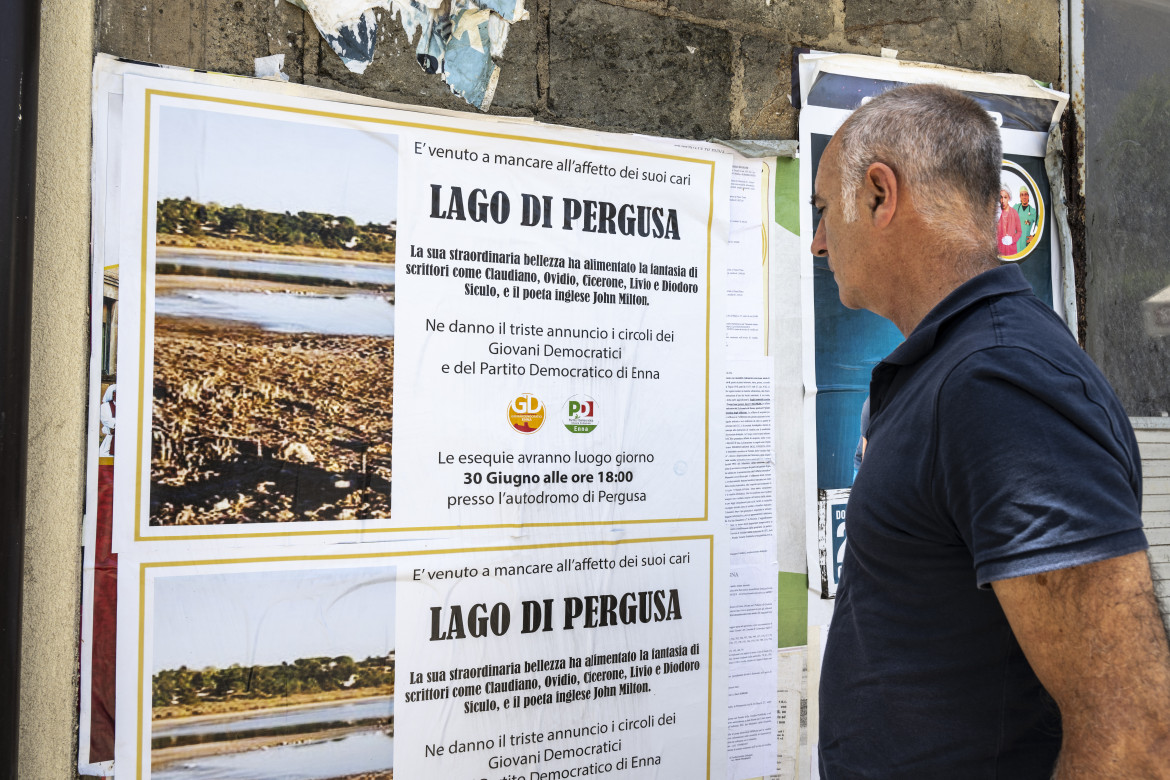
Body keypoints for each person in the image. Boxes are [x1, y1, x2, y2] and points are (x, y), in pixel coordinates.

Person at [809, 83, 1170, 779]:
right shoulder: (957, 367)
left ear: (881, 195)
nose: (819, 241)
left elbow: (1132, 739)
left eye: (825, 211)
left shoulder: (999, 382)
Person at [996, 187, 1021, 254]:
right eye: (1001, 197)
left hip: (1011, 251)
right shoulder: (996, 212)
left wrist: (1012, 240)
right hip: (998, 251)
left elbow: (1019, 231)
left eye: (1005, 197)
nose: (1003, 200)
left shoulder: (1014, 212)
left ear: (1009, 198)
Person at [1015, 185, 1038, 253]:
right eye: (1022, 195)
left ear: (1028, 196)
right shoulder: (1015, 208)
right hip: (1014, 245)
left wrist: (1034, 237)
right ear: (1020, 197)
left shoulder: (1033, 211)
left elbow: (1042, 225)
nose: (1024, 197)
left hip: (1025, 246)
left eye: (1025, 194)